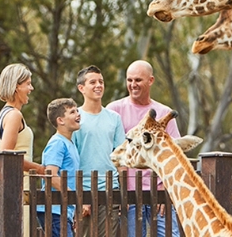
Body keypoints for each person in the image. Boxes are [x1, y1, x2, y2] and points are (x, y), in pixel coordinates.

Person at [106, 60, 182, 237]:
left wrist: (165, 187)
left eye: (138, 80)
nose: (133, 85)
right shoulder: (114, 110)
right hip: (129, 194)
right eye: (129, 80)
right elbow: (110, 152)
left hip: (159, 191)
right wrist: (120, 190)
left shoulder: (164, 112)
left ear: (151, 80)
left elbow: (174, 154)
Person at [0, 63, 45, 237]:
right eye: (28, 84)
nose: (31, 88)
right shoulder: (14, 115)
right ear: (16, 86)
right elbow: (7, 157)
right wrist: (39, 169)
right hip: (19, 184)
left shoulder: (2, 115)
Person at [72, 65, 125, 237]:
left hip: (110, 189)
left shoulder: (114, 119)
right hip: (83, 189)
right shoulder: (75, 119)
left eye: (101, 82)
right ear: (81, 88)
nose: (98, 85)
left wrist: (123, 192)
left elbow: (121, 158)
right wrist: (79, 196)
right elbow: (71, 159)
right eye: (93, 82)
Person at [36, 98, 81, 237]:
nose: (78, 114)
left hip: (63, 209)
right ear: (60, 120)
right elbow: (51, 175)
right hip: (54, 210)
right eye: (72, 112)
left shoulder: (70, 143)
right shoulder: (57, 143)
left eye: (77, 110)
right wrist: (73, 197)